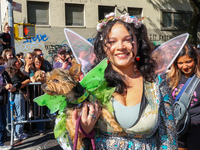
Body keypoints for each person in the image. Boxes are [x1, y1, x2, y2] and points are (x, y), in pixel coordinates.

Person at [68, 13, 177, 149]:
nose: (120, 47)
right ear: (103, 46)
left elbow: (168, 137)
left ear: (138, 42)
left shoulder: (156, 83)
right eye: (112, 41)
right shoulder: (92, 85)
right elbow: (67, 138)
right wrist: (82, 132)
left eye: (127, 39)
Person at [167, 44, 200, 150]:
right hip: (177, 126)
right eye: (180, 63)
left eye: (188, 61)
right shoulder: (170, 79)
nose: (185, 66)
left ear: (195, 60)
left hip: (197, 128)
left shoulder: (198, 78)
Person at [6, 57, 31, 141]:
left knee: (20, 115)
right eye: (17, 62)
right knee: (20, 115)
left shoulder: (16, 72)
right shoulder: (13, 74)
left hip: (19, 95)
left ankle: (18, 132)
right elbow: (18, 84)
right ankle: (17, 134)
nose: (19, 63)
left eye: (19, 62)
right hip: (17, 95)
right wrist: (28, 81)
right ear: (12, 64)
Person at [0, 56, 13, 149]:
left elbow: (10, 82)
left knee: (3, 124)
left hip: (3, 101)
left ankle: (1, 142)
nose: (1, 65)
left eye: (2, 63)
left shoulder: (4, 73)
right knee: (0, 125)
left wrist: (11, 85)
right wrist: (4, 88)